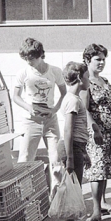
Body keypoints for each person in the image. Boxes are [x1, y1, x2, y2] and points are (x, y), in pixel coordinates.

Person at [13, 38, 66, 194]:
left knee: (56, 159)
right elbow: (15, 97)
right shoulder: (23, 73)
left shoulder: (54, 71)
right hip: (31, 121)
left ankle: (56, 195)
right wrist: (28, 107)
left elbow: (64, 93)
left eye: (32, 58)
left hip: (50, 119)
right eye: (26, 58)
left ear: (40, 55)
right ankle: (25, 196)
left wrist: (55, 110)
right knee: (25, 159)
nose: (29, 61)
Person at [82, 43, 111, 221]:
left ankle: (103, 202)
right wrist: (94, 129)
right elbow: (84, 109)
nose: (101, 62)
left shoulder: (104, 80)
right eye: (98, 59)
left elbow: (110, 101)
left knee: (105, 168)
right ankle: (96, 210)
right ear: (87, 61)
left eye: (103, 59)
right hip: (97, 132)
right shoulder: (85, 83)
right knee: (97, 170)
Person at [60, 61, 100, 221]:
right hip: (72, 148)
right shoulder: (73, 100)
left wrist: (83, 153)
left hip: (77, 147)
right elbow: (68, 131)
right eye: (86, 76)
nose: (88, 79)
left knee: (75, 189)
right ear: (79, 78)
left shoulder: (73, 98)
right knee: (71, 191)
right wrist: (70, 158)